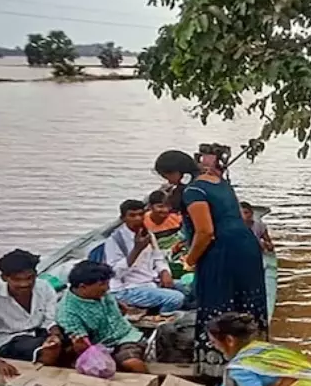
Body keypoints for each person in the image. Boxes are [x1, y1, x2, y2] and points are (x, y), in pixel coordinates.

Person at [155, 149, 268, 372]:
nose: (167, 181)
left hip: (222, 252)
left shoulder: (194, 191)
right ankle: (254, 360)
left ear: (176, 172)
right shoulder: (219, 181)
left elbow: (205, 232)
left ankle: (217, 366)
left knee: (218, 304)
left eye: (167, 176)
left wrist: (190, 259)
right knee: (247, 303)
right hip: (247, 247)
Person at [0, 249, 65, 378]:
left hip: (36, 332)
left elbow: (49, 319)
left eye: (30, 278)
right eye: (17, 280)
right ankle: (44, 376)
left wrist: (54, 335)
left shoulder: (44, 287)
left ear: (36, 274)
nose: (24, 284)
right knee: (49, 350)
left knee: (71, 338)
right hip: (7, 340)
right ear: (4, 278)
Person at [56, 260, 149, 373]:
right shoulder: (68, 313)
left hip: (128, 335)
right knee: (133, 364)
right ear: (83, 287)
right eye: (102, 285)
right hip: (104, 346)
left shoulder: (100, 293)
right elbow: (83, 345)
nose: (107, 288)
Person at [103, 199, 185, 313]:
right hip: (127, 288)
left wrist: (164, 272)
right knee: (175, 298)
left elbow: (158, 257)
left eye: (140, 214)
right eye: (132, 215)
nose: (137, 219)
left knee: (190, 289)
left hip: (150, 281)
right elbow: (115, 273)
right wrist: (137, 250)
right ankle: (160, 322)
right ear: (123, 218)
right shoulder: (115, 240)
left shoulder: (148, 234)